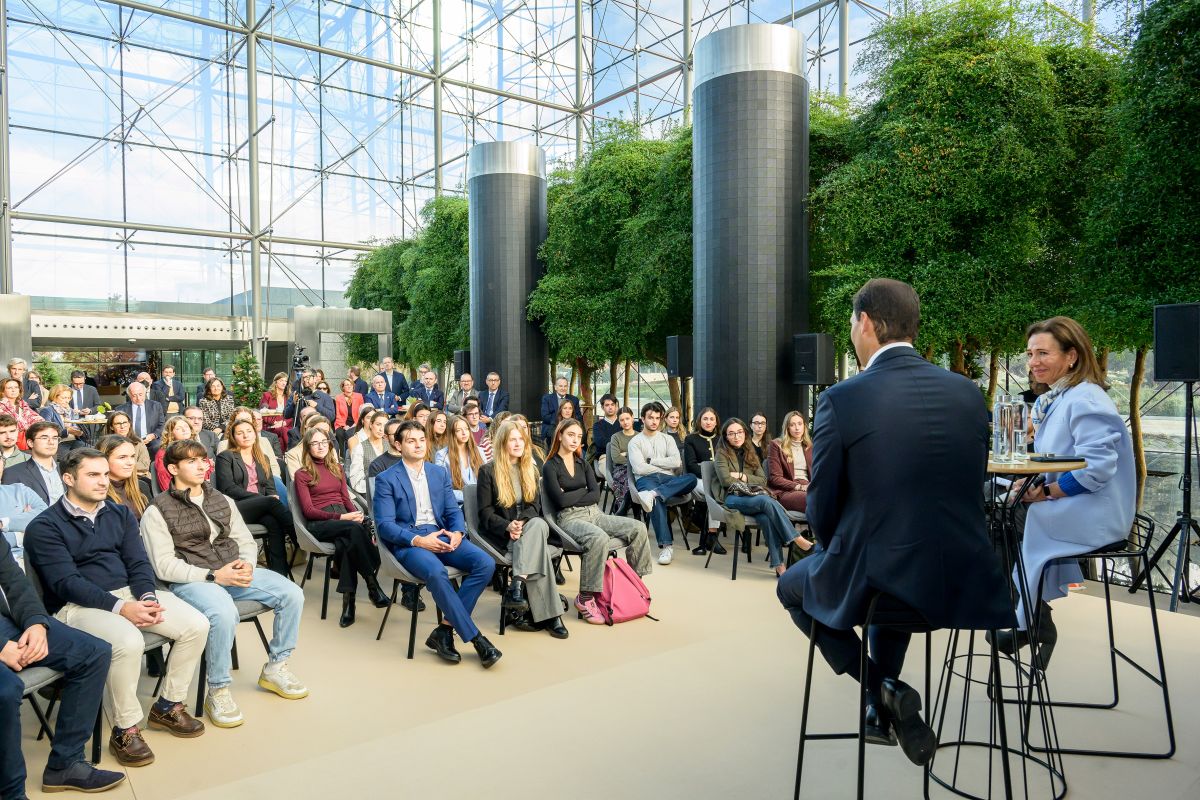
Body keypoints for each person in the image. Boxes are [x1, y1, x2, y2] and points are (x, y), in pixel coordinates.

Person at [777, 278, 1014, 766]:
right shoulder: (967, 394)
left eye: (850, 323)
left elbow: (820, 509)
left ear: (865, 322)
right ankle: (878, 710)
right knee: (891, 577)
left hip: (882, 576)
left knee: (792, 590)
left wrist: (832, 543)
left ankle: (881, 687)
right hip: (964, 576)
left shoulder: (842, 399)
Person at [24, 447, 211, 767]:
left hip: (130, 593)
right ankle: (125, 729)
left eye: (104, 474)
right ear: (68, 479)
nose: (102, 482)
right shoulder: (45, 526)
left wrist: (147, 598)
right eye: (93, 475)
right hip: (76, 606)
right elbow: (65, 582)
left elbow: (138, 562)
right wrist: (121, 608)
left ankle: (167, 705)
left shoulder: (119, 513)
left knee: (197, 624)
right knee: (127, 641)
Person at [990, 317, 1136, 668]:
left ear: (1072, 356)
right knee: (992, 507)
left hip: (1094, 511)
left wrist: (1046, 492)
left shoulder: (1087, 399)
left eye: (1043, 353)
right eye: (1029, 354)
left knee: (995, 521)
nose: (1033, 362)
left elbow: (1098, 468)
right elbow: (1056, 455)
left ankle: (1022, 618)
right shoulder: (1061, 396)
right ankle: (1029, 617)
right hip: (1073, 503)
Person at [141, 440, 308, 728]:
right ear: (172, 468)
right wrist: (213, 576)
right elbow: (164, 565)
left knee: (292, 594)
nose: (201, 465)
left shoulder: (221, 499)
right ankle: (217, 690)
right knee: (223, 613)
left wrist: (246, 564)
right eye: (191, 461)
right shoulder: (157, 510)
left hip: (232, 570)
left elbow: (244, 540)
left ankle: (275, 667)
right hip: (192, 580)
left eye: (203, 459)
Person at [0, 535, 125, 796]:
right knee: (5, 689)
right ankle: (12, 793)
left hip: (6, 622)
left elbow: (14, 581)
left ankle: (65, 765)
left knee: (94, 653)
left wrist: (36, 622)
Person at [373, 421, 501, 667]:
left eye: (422, 439)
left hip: (441, 534)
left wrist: (457, 532)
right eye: (411, 440)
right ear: (397, 445)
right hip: (409, 542)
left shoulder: (437, 473)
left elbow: (453, 511)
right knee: (436, 572)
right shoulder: (386, 479)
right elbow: (385, 526)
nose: (419, 444)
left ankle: (443, 632)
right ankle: (476, 638)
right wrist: (419, 540)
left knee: (485, 563)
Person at [543, 418, 652, 624]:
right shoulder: (550, 466)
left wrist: (573, 493)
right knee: (598, 538)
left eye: (578, 436)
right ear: (559, 435)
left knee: (638, 528)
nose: (575, 440)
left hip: (595, 513)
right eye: (570, 435)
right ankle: (585, 597)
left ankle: (634, 583)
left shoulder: (582, 462)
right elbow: (559, 501)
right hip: (569, 518)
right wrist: (582, 491)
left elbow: (595, 495)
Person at [477, 420, 569, 638]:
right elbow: (485, 512)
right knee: (541, 552)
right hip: (506, 533)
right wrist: (508, 525)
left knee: (537, 523)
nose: (518, 444)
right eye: (512, 439)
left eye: (521, 439)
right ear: (502, 443)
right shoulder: (487, 471)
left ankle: (517, 585)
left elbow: (535, 506)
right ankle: (551, 615)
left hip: (528, 528)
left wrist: (521, 522)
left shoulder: (529, 467)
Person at [293, 428, 387, 627]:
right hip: (320, 522)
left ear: (329, 444)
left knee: (346, 543)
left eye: (324, 442)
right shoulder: (302, 474)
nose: (320, 446)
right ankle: (372, 584)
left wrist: (356, 515)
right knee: (353, 531)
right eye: (315, 443)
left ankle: (349, 604)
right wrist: (343, 517)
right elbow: (308, 511)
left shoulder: (337, 467)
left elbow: (345, 498)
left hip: (343, 520)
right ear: (308, 448)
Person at [713, 418, 813, 576]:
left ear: (745, 434)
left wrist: (741, 476)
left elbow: (762, 479)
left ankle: (779, 567)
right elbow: (726, 481)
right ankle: (796, 538)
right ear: (726, 436)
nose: (736, 436)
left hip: (752, 496)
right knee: (766, 500)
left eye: (739, 432)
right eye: (731, 433)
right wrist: (746, 478)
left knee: (766, 518)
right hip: (731, 497)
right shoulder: (721, 453)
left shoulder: (750, 452)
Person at [214, 418, 295, 576]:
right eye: (240, 433)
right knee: (271, 503)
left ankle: (279, 575)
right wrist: (263, 499)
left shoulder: (262, 457)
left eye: (249, 431)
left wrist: (270, 497)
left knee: (273, 524)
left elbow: (270, 487)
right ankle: (297, 537)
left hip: (261, 507)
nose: (246, 436)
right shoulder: (225, 457)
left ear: (255, 434)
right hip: (235, 507)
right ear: (233, 437)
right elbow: (228, 489)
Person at [628, 401, 697, 565]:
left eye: (657, 418)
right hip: (646, 480)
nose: (654, 421)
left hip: (667, 479)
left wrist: (651, 461)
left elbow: (676, 462)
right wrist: (659, 466)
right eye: (650, 417)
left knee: (692, 479)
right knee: (657, 500)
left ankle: (654, 493)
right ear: (642, 419)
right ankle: (666, 546)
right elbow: (639, 468)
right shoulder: (635, 442)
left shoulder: (667, 439)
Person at [683, 407, 723, 555]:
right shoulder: (691, 439)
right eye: (705, 419)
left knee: (715, 492)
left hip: (718, 482)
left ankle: (709, 537)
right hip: (696, 480)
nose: (708, 422)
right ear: (700, 421)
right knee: (713, 492)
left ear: (716, 422)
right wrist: (712, 473)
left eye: (712, 419)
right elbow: (692, 465)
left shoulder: (721, 439)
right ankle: (712, 535)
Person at [3, 421, 65, 505]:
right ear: (30, 443)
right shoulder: (12, 473)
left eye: (55, 438)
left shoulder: (66, 469)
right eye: (44, 438)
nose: (51, 442)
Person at [0, 457, 47, 567]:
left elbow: (44, 516)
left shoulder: (20, 490)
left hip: (31, 559)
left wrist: (3, 523)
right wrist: (20, 535)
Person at [768, 411, 812, 513]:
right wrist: (799, 487)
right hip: (787, 491)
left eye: (800, 424)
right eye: (792, 425)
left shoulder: (810, 447)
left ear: (804, 426)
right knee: (815, 499)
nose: (797, 428)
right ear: (787, 428)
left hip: (808, 487)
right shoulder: (776, 445)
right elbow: (775, 478)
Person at [154, 415, 213, 491]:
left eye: (186, 426)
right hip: (177, 496)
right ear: (171, 433)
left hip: (201, 491)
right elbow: (166, 483)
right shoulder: (163, 454)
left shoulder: (197, 449)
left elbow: (207, 470)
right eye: (178, 428)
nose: (184, 430)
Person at [98, 435, 150, 520]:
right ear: (105, 459)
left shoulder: (142, 486)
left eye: (132, 456)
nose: (130, 463)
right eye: (122, 457)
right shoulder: (98, 494)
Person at [435, 415, 485, 503]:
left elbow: (486, 480)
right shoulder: (442, 455)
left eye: (466, 429)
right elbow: (442, 489)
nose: (464, 433)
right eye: (458, 430)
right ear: (452, 433)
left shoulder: (479, 451)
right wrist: (471, 496)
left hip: (481, 502)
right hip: (458, 504)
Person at [346, 410, 389, 496]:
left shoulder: (390, 446)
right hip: (370, 493)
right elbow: (356, 482)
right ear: (371, 425)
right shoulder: (359, 448)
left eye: (385, 425)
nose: (381, 429)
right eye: (378, 424)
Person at [604, 406, 638, 515]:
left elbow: (644, 457)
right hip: (620, 469)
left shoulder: (640, 436)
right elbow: (616, 458)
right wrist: (632, 456)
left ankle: (622, 506)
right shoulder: (616, 437)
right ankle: (624, 505)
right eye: (622, 420)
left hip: (638, 468)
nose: (625, 422)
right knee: (628, 481)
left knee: (638, 480)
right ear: (619, 422)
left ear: (632, 418)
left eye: (627, 419)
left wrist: (626, 453)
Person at [104, 411, 151, 479]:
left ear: (129, 424)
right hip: (115, 479)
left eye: (125, 423)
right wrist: (136, 471)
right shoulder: (106, 444)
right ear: (111, 427)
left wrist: (121, 468)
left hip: (141, 478)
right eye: (118, 424)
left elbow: (144, 465)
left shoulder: (138, 442)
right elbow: (106, 466)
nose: (122, 426)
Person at [539, 377, 581, 442]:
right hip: (551, 428)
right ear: (555, 387)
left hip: (570, 427)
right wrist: (561, 420)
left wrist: (568, 423)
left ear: (567, 387)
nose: (563, 388)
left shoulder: (574, 400)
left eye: (565, 386)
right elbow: (545, 417)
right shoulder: (547, 399)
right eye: (560, 386)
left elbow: (578, 416)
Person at [334, 378, 365, 449]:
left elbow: (362, 412)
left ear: (353, 386)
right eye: (347, 385)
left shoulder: (359, 396)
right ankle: (342, 456)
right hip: (342, 424)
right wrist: (344, 426)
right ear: (343, 387)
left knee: (351, 433)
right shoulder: (338, 398)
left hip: (356, 423)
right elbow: (338, 414)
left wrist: (355, 424)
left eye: (351, 384)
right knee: (340, 434)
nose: (349, 386)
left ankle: (351, 453)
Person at [260, 372, 292, 441]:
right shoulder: (267, 395)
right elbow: (263, 413)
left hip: (285, 425)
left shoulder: (289, 397)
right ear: (276, 382)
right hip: (271, 425)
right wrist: (274, 422)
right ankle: (290, 450)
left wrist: (284, 422)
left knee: (288, 431)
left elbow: (293, 414)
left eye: (286, 381)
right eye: (281, 381)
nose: (284, 383)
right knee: (284, 430)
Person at [591, 394, 621, 464]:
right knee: (610, 473)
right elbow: (600, 443)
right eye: (607, 405)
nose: (610, 407)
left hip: (623, 455)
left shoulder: (622, 423)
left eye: (612, 404)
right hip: (605, 457)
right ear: (602, 407)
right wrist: (621, 441)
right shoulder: (597, 425)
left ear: (616, 406)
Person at [749, 412, 770, 478]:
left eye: (763, 423)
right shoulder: (745, 444)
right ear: (751, 425)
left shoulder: (771, 444)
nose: (760, 426)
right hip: (751, 477)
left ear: (766, 426)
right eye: (756, 423)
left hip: (767, 478)